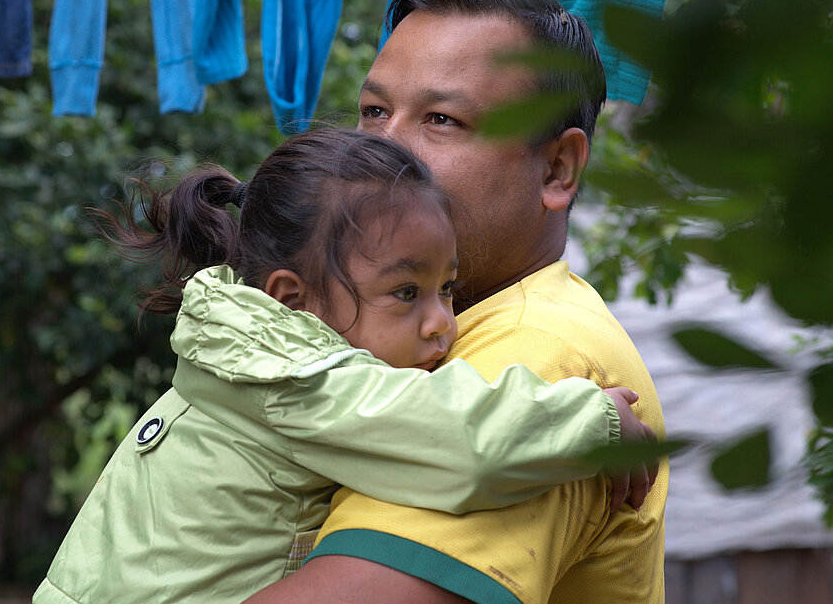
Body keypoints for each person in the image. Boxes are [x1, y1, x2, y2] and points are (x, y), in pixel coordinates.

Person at [34, 129, 654, 604]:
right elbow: (456, 443)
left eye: (449, 289)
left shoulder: (237, 346)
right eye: (407, 294)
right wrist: (591, 422)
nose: (445, 322)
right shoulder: (298, 382)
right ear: (291, 299)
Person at [231, 0, 669, 603]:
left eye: (443, 119)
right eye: (375, 112)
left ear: (556, 169)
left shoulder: (533, 367)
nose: (376, 152)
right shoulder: (410, 337)